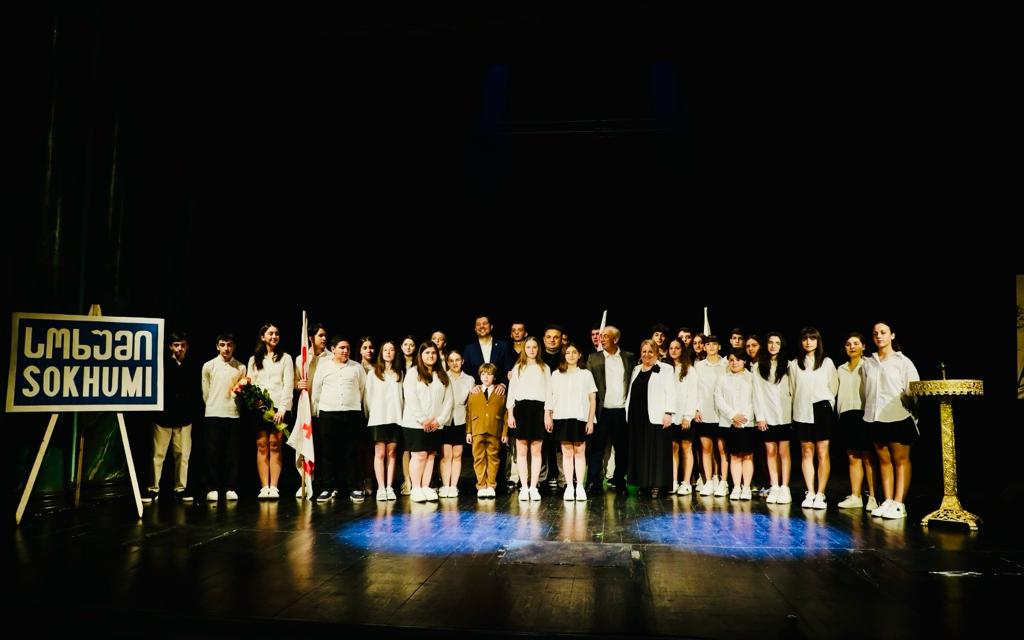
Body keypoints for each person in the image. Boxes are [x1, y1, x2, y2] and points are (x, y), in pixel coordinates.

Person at [863, 321, 920, 520]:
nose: (879, 336)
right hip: (875, 416)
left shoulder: (903, 361)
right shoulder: (868, 362)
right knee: (883, 460)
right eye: (875, 333)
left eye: (883, 332)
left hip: (898, 415)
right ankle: (888, 500)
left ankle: (899, 503)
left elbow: (914, 391)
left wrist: (912, 411)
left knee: (900, 460)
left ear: (892, 335)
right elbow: (866, 390)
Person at [143, 331, 200, 504]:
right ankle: (153, 488)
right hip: (163, 416)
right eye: (176, 345)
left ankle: (180, 488)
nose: (179, 348)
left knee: (182, 454)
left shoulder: (192, 365)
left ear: (187, 347)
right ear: (170, 346)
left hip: (184, 417)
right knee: (158, 454)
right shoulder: (162, 364)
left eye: (182, 345)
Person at [311, 337, 366, 502]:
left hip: (351, 414)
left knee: (351, 451)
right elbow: (316, 391)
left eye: (347, 348)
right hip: (328, 413)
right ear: (333, 349)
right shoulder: (323, 367)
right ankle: (328, 488)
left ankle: (354, 487)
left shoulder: (357, 367)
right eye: (342, 347)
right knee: (328, 452)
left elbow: (362, 389)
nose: (345, 351)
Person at [790, 326, 838, 509]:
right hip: (802, 410)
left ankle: (821, 493)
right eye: (805, 339)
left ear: (818, 341)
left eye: (812, 338)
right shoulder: (795, 364)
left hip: (821, 409)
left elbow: (833, 387)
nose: (808, 342)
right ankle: (810, 491)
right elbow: (793, 389)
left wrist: (826, 404)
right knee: (807, 451)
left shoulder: (826, 362)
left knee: (822, 452)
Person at [247, 323, 294, 500]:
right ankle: (264, 487)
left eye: (276, 333)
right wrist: (254, 401)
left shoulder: (286, 358)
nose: (274, 336)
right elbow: (250, 383)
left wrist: (282, 408)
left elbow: (288, 384)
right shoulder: (254, 359)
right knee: (262, 445)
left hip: (279, 407)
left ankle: (274, 486)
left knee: (275, 444)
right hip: (260, 408)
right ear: (263, 337)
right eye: (270, 333)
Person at [585, 326, 635, 495]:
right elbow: (588, 386)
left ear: (616, 339)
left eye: (606, 336)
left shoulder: (628, 357)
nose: (602, 339)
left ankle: (620, 481)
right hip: (601, 411)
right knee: (596, 449)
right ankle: (593, 482)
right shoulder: (593, 358)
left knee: (621, 449)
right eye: (601, 336)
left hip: (621, 411)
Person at [401, 342, 453, 503]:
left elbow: (449, 401)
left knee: (430, 455)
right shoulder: (413, 373)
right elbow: (410, 397)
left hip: (435, 424)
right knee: (419, 455)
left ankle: (425, 487)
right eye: (427, 353)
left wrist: (439, 420)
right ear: (421, 355)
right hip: (415, 423)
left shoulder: (442, 375)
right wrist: (423, 419)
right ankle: (416, 488)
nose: (430, 356)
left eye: (433, 353)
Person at [625, 339, 677, 498]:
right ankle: (643, 484)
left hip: (657, 416)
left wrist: (668, 412)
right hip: (637, 417)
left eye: (650, 351)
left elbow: (671, 391)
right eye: (644, 351)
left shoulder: (666, 369)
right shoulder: (636, 369)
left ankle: (657, 485)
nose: (647, 355)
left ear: (656, 353)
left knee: (657, 451)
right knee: (641, 451)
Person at [546, 343, 597, 501]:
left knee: (580, 452)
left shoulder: (586, 374)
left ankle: (579, 486)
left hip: (580, 417)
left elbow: (592, 399)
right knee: (567, 453)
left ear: (579, 355)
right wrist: (548, 415)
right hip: (562, 417)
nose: (571, 355)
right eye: (568, 352)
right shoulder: (556, 374)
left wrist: (590, 421)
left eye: (574, 352)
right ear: (564, 355)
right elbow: (550, 396)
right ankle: (569, 486)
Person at [836, 332, 879, 512]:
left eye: (855, 343)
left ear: (864, 346)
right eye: (848, 344)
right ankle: (855, 496)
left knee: (868, 457)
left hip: (864, 413)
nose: (852, 347)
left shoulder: (869, 365)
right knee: (853, 456)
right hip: (846, 414)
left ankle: (873, 497)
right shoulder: (840, 369)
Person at [202, 334, 246, 502]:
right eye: (222, 345)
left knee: (231, 453)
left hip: (233, 413)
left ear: (234, 346)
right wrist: (213, 405)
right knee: (212, 453)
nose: (226, 348)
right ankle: (212, 487)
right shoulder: (209, 366)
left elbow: (242, 392)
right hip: (213, 413)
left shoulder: (240, 367)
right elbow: (206, 391)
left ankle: (230, 487)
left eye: (229, 345)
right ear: (217, 346)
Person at [507, 336, 551, 501]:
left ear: (538, 349)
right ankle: (524, 487)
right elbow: (511, 392)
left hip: (539, 409)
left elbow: (549, 392)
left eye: (534, 347)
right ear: (524, 349)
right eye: (528, 347)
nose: (531, 350)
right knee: (521, 450)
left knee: (536, 450)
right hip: (521, 409)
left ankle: (533, 486)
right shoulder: (518, 368)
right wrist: (510, 414)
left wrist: (547, 414)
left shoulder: (544, 367)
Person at [752, 332, 794, 504]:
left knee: (784, 451)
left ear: (781, 345)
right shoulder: (758, 366)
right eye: (770, 342)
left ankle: (785, 487)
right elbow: (756, 393)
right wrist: (760, 417)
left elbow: (793, 390)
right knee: (770, 451)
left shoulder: (789, 365)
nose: (773, 346)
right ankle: (774, 485)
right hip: (767, 415)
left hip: (785, 415)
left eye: (777, 343)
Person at [364, 340, 403, 501]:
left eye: (391, 349)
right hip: (378, 418)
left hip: (396, 418)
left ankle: (389, 487)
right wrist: (371, 415)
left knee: (392, 453)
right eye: (385, 349)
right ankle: (380, 487)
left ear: (395, 353)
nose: (388, 352)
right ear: (381, 353)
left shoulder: (400, 373)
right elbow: (368, 398)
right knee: (379, 453)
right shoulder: (373, 373)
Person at [294, 322, 329, 499]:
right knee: (306, 446)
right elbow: (295, 381)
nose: (324, 338)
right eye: (320, 335)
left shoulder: (330, 357)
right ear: (310, 338)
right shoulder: (301, 358)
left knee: (324, 449)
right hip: (307, 410)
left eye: (325, 335)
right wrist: (298, 384)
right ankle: (307, 482)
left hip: (324, 409)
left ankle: (324, 484)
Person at [715, 349, 755, 500]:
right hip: (730, 422)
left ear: (744, 361)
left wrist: (744, 418)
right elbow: (718, 398)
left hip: (747, 423)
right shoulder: (722, 379)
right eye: (731, 360)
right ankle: (737, 487)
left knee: (748, 456)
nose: (734, 363)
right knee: (734, 456)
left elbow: (755, 399)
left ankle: (746, 488)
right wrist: (733, 415)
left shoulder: (752, 378)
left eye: (738, 360)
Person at [466, 363, 508, 498]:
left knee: (493, 458)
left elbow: (506, 414)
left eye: (489, 374)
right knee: (479, 458)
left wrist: (505, 433)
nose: (486, 377)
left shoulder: (500, 393)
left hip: (494, 429)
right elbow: (469, 412)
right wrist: (468, 432)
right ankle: (481, 485)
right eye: (483, 374)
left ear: (494, 377)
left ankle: (491, 485)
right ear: (479, 376)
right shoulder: (474, 393)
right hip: (477, 429)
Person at [695, 336, 729, 497]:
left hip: (723, 415)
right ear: (704, 347)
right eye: (708, 344)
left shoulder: (726, 364)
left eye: (714, 344)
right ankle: (708, 481)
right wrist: (696, 409)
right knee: (706, 448)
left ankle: (723, 481)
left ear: (719, 346)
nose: (711, 347)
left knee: (722, 449)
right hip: (705, 412)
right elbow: (695, 389)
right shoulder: (699, 366)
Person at [439, 349, 474, 497]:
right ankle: (445, 485)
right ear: (447, 363)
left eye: (457, 360)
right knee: (446, 455)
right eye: (451, 361)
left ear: (462, 361)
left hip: (461, 419)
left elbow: (470, 402)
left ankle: (453, 486)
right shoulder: (441, 376)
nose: (455, 363)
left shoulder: (469, 379)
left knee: (457, 454)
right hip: (445, 420)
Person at [666, 338, 698, 495]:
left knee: (686, 447)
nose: (673, 350)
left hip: (685, 415)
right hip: (671, 415)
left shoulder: (690, 370)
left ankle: (686, 482)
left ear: (682, 350)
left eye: (677, 348)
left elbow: (693, 394)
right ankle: (673, 481)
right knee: (673, 448)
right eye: (671, 348)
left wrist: (688, 416)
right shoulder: (665, 369)